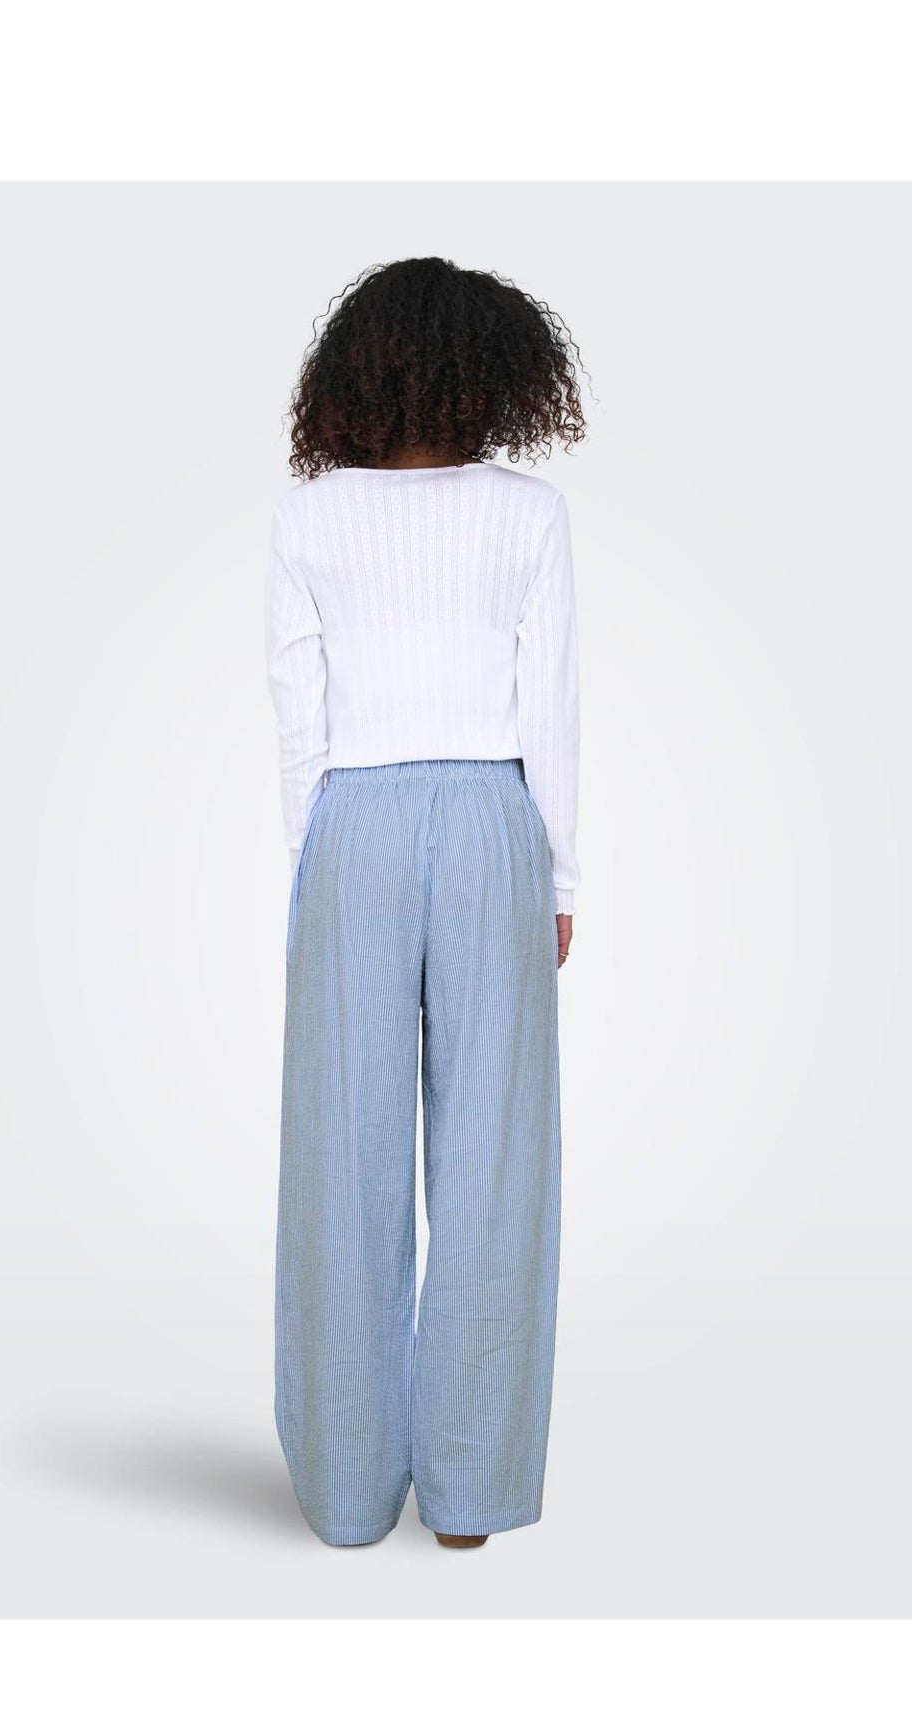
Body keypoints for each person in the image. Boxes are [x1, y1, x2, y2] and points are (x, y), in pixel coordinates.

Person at [265, 256, 586, 1550]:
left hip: (353, 821)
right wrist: (561, 875)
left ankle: (348, 1493)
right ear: (496, 374)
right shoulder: (528, 515)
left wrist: (314, 863)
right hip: (496, 820)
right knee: (496, 1156)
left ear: (355, 370)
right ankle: (468, 1494)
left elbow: (298, 709)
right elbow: (551, 705)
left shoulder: (311, 517)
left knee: (338, 1152)